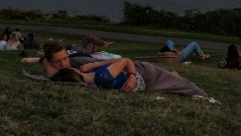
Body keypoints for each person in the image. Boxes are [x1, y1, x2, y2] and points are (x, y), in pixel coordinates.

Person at [42, 41, 211, 99]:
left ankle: (203, 95)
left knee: (189, 89)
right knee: (169, 85)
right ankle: (172, 75)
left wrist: (131, 76)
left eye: (65, 58)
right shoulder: (63, 72)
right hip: (129, 76)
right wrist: (44, 61)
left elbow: (125, 61)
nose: (64, 63)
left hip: (135, 69)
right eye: (59, 61)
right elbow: (53, 76)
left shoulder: (78, 61)